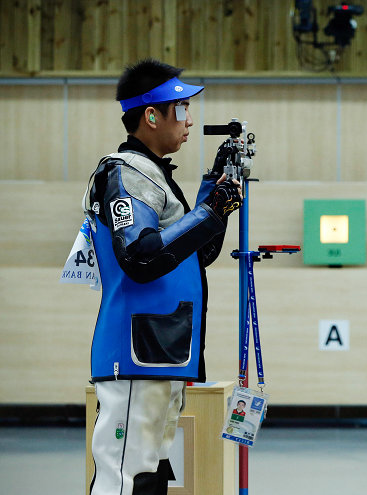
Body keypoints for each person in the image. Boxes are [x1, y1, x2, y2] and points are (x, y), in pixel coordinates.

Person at [84, 58, 242, 495]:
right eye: (182, 108)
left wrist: (214, 193)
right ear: (152, 116)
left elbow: (197, 252)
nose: (190, 120)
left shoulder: (153, 175)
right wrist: (209, 212)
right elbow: (142, 257)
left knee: (148, 477)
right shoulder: (126, 172)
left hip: (160, 351)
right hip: (137, 353)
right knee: (125, 479)